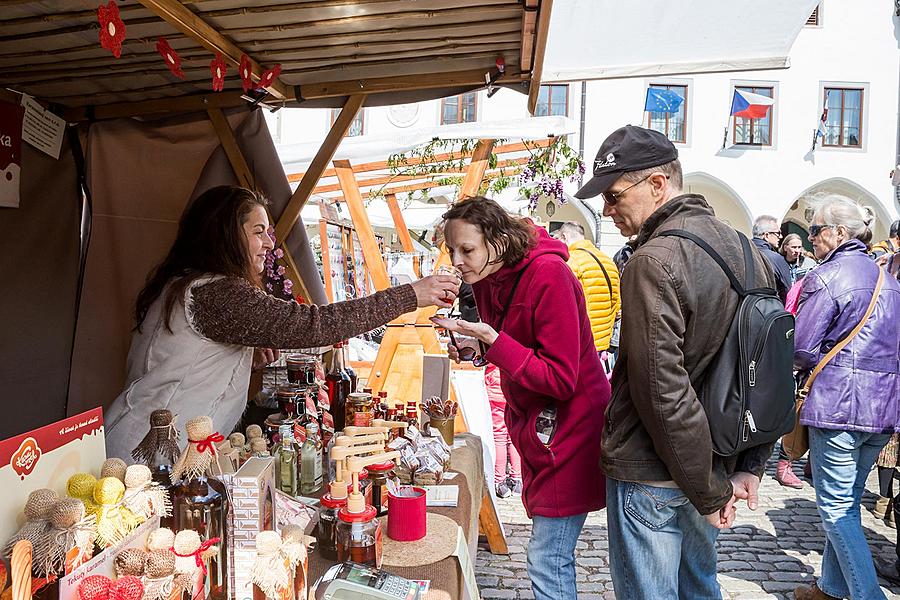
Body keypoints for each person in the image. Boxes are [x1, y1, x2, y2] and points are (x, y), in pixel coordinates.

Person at [104, 185, 460, 459]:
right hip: (149, 456)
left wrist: (241, 356)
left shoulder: (188, 284)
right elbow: (315, 326)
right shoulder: (215, 292)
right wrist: (410, 295)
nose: (268, 245)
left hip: (150, 446)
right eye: (258, 232)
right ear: (227, 235)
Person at [574, 125, 775, 599]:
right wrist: (745, 466)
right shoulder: (747, 249)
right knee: (700, 589)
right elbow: (765, 373)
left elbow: (662, 391)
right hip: (710, 463)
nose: (607, 209)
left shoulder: (654, 259)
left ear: (657, 185)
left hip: (656, 469)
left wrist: (709, 487)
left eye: (614, 194)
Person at [435, 198, 609, 600]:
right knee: (549, 554)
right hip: (539, 429)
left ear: (497, 240)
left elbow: (562, 378)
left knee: (548, 557)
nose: (458, 261)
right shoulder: (487, 278)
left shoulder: (549, 274)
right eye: (453, 250)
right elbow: (517, 347)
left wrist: (493, 342)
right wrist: (476, 349)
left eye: (468, 249)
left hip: (569, 431)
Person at [792, 195, 900, 600]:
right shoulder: (888, 279)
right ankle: (831, 589)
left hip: (840, 407)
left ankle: (866, 595)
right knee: (848, 502)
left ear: (839, 232)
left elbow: (801, 347)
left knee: (836, 509)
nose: (811, 238)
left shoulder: (828, 275)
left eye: (815, 230)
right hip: (882, 410)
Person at [554, 221, 621, 376]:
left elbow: (562, 307)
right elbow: (616, 305)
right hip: (602, 345)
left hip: (580, 346)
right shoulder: (608, 261)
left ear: (564, 237)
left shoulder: (571, 261)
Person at [752, 215, 792, 301]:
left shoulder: (742, 252)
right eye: (777, 233)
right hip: (769, 309)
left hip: (743, 310)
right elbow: (788, 293)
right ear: (766, 235)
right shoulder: (776, 259)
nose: (781, 237)